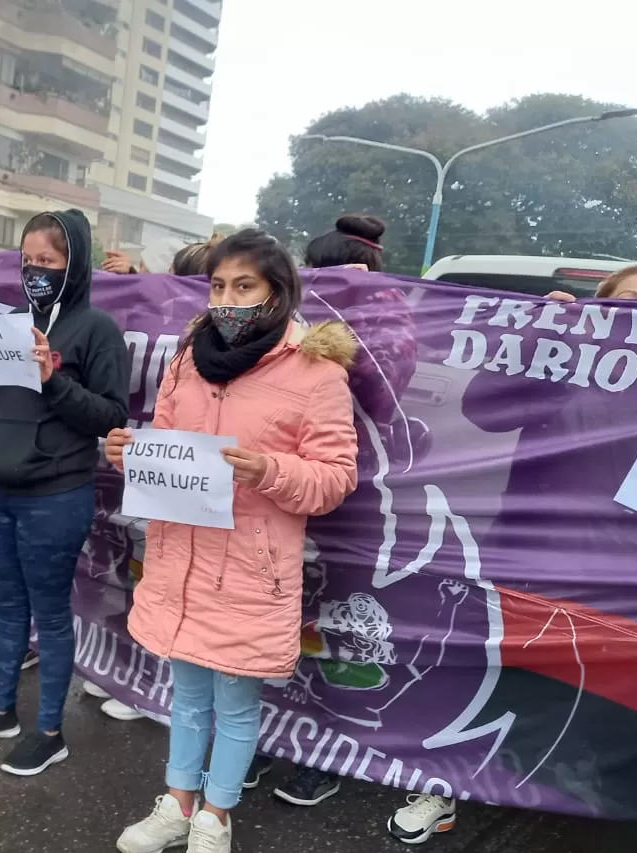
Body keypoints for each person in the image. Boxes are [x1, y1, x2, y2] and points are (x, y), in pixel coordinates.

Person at [386, 263, 637, 847]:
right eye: (628, 299)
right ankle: (443, 788)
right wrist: (547, 333)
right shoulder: (564, 356)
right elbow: (487, 410)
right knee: (491, 682)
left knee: (623, 704)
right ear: (601, 308)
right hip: (534, 561)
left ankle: (631, 810)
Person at [109, 230, 358, 853]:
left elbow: (335, 478)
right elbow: (167, 441)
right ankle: (178, 803)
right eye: (219, 285)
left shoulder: (317, 370)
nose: (227, 298)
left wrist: (268, 470)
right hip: (181, 557)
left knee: (237, 703)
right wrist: (129, 454)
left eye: (244, 286)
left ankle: (216, 817)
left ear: (277, 292)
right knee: (187, 695)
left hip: (251, 568)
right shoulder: (188, 357)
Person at [0, 209, 130, 776]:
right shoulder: (11, 323)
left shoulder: (97, 330)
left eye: (47, 261)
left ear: (73, 265)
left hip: (54, 494)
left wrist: (54, 379)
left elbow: (110, 415)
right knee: (7, 606)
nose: (35, 271)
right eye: (27, 261)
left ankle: (49, 729)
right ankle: (1, 709)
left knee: (49, 613)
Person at [244, 213, 390, 808]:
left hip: (353, 500)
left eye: (345, 274)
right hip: (273, 498)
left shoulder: (389, 313)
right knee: (270, 630)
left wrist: (359, 319)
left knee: (335, 634)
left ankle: (328, 751)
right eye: (321, 274)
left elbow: (385, 390)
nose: (333, 284)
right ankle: (262, 737)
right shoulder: (280, 318)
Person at [79, 231, 222, 723]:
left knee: (185, 589)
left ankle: (163, 693)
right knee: (143, 580)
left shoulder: (217, 340)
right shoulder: (155, 323)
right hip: (145, 466)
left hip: (193, 474)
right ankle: (137, 676)